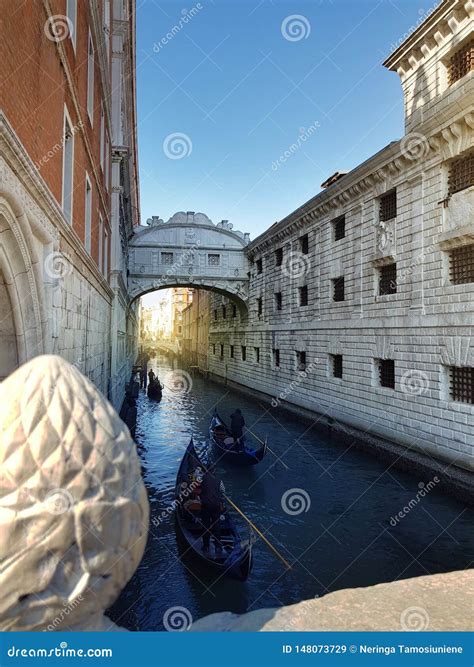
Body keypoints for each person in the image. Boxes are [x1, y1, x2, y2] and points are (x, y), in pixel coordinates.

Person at [200, 466, 225, 557]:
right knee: (216, 526)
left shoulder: (202, 479)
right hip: (216, 506)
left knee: (206, 526)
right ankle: (218, 547)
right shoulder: (219, 481)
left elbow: (198, 488)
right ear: (214, 472)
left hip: (205, 506)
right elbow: (222, 491)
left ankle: (206, 546)